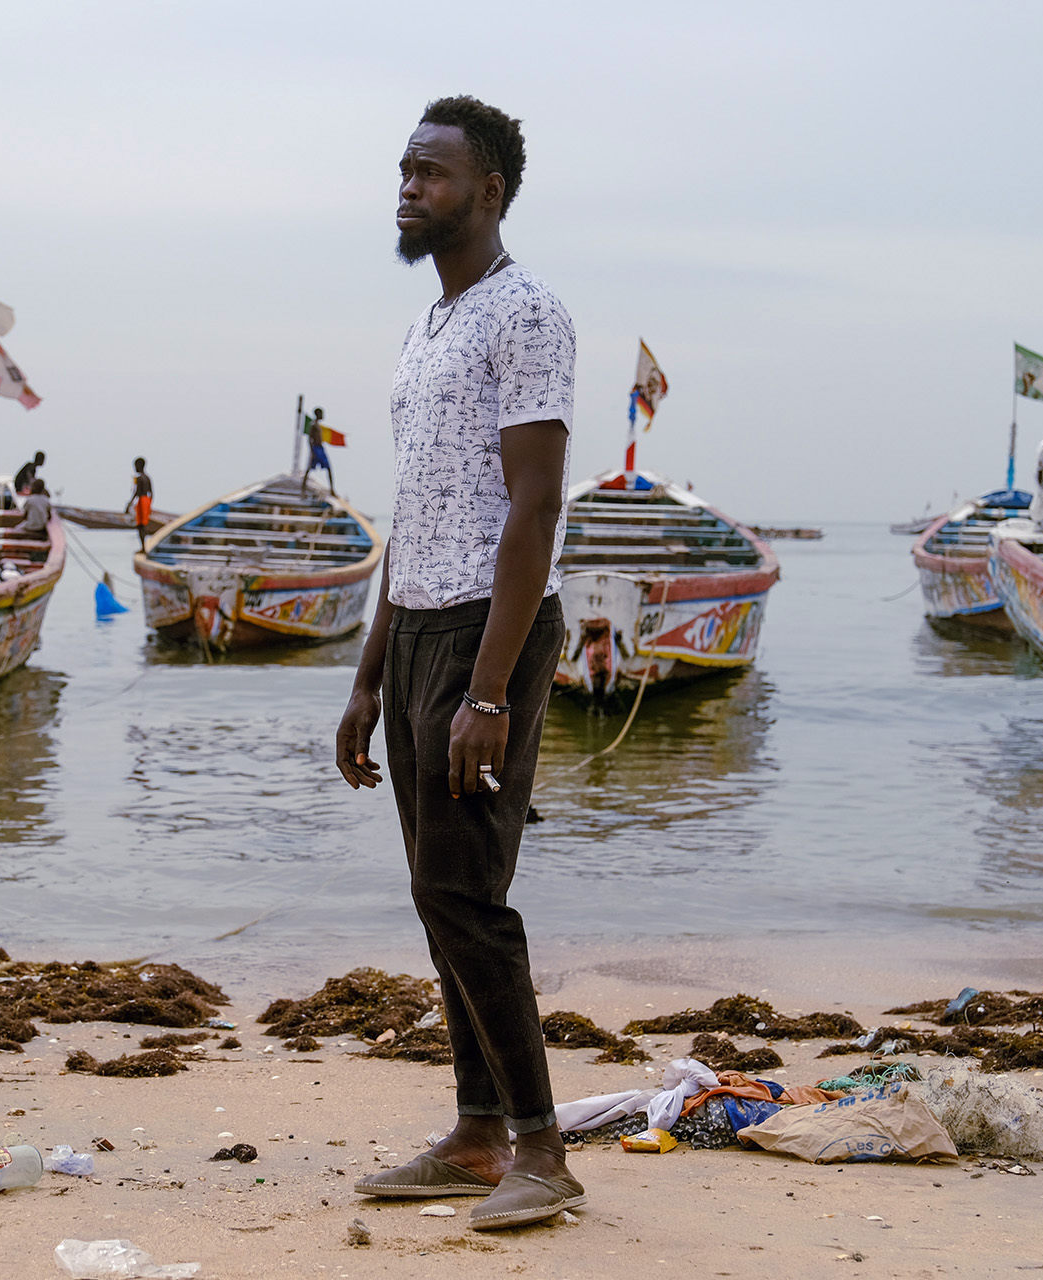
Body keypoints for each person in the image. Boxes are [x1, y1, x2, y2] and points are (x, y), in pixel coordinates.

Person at [336, 95, 579, 1231]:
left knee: (466, 891)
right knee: (437, 897)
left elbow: (533, 509)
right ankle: (478, 1131)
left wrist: (488, 688)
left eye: (430, 172)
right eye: (402, 169)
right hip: (423, 624)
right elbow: (414, 510)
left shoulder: (526, 313)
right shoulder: (428, 329)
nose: (406, 186)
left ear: (487, 191)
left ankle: (542, 1147)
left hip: (497, 626)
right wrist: (369, 672)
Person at [122, 457, 153, 548]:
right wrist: (149, 503)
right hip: (147, 500)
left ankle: (143, 547)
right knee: (143, 524)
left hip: (141, 500)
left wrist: (129, 504)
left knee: (140, 525)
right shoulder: (148, 478)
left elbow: (136, 492)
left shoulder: (139, 478)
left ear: (139, 466)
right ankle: (144, 547)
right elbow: (151, 492)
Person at [303, 408, 336, 494]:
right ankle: (303, 488)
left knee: (328, 468)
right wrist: (312, 452)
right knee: (309, 468)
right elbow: (310, 439)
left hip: (320, 448)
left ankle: (332, 489)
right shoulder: (313, 425)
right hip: (316, 448)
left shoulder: (318, 425)